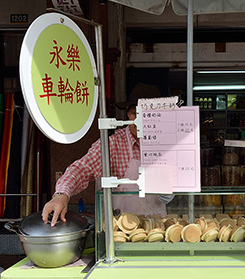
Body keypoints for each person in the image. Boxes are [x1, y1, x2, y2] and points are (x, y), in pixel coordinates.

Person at [41, 82, 170, 226]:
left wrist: (174, 188)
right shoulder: (112, 144)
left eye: (149, 114)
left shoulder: (167, 145)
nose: (142, 121)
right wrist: (61, 194)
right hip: (120, 230)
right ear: (128, 113)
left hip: (158, 228)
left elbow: (182, 176)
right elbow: (81, 169)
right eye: (136, 114)